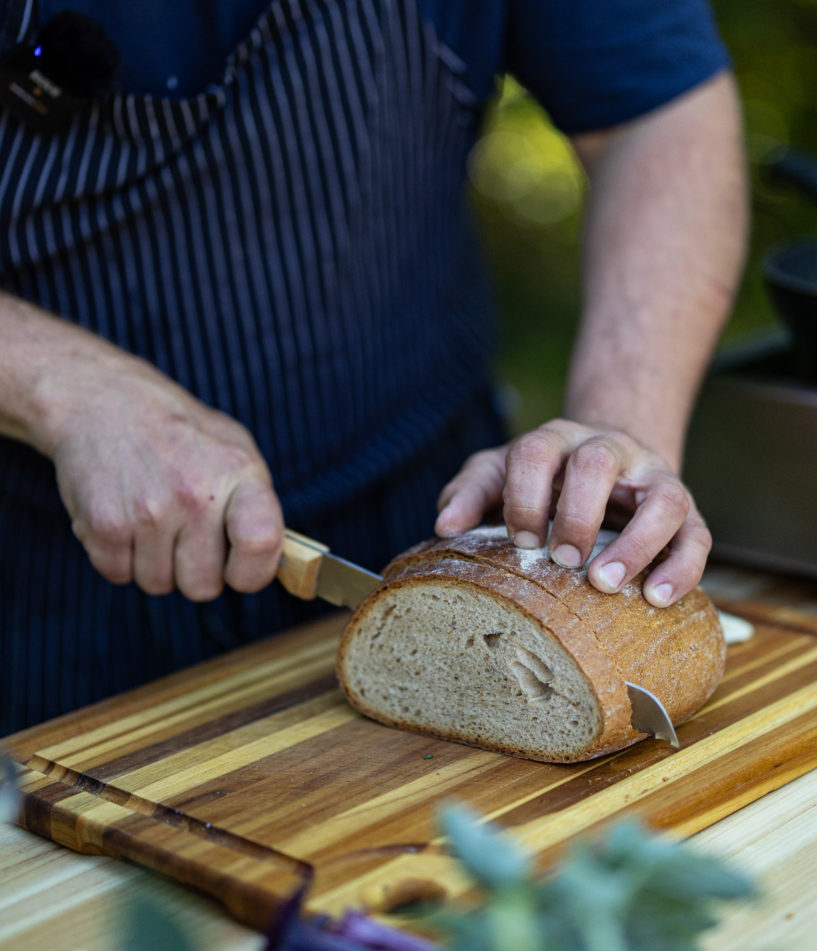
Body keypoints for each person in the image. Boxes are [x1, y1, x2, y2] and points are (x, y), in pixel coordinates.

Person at [0, 0, 747, 735]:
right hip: (42, 577)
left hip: (437, 516)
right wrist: (62, 387)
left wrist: (616, 431)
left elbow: (655, 113)